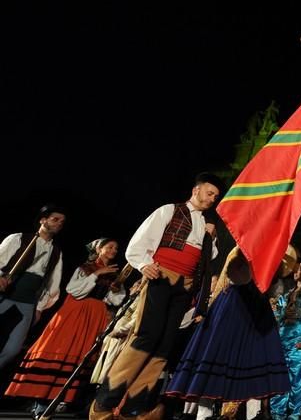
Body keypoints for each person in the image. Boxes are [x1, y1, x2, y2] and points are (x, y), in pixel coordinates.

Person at [90, 172, 222, 420]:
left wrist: (210, 237)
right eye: (209, 193)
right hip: (161, 279)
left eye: (216, 196)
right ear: (196, 190)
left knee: (164, 345)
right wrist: (144, 265)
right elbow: (137, 245)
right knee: (146, 337)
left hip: (185, 287)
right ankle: (104, 403)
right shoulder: (169, 211)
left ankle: (134, 407)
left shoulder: (206, 225)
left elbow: (209, 258)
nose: (213, 198)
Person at [166, 248, 289, 420]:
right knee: (215, 356)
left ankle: (253, 414)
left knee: (254, 361)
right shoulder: (238, 251)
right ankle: (203, 414)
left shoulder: (269, 252)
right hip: (233, 306)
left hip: (256, 309)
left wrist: (269, 268)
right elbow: (234, 276)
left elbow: (274, 287)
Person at [6, 238, 126, 414]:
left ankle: (62, 398)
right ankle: (40, 397)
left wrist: (115, 289)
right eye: (109, 247)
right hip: (76, 310)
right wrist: (97, 274)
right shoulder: (85, 268)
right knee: (62, 349)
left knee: (81, 355)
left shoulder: (113, 274)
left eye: (116, 248)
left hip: (95, 314)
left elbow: (114, 300)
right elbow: (73, 289)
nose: (114, 250)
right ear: (99, 249)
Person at [0, 204, 66, 371]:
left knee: (13, 349)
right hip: (5, 293)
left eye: (62, 222)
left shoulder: (56, 253)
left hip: (28, 302)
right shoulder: (18, 238)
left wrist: (40, 308)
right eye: (55, 219)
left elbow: (52, 284)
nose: (59, 223)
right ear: (43, 220)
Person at [269, 261, 301, 420]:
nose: (295, 272)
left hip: (298, 337)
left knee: (297, 376)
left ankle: (295, 412)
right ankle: (277, 411)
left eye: (298, 269)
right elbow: (280, 316)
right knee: (280, 374)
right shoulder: (288, 293)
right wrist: (276, 308)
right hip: (283, 337)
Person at [91, 279, 145, 386]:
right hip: (112, 338)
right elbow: (116, 320)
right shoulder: (130, 301)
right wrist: (107, 333)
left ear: (140, 288)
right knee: (103, 365)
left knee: (110, 367)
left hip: (120, 339)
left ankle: (102, 389)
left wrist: (118, 331)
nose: (130, 288)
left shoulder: (139, 302)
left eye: (134, 286)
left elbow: (134, 322)